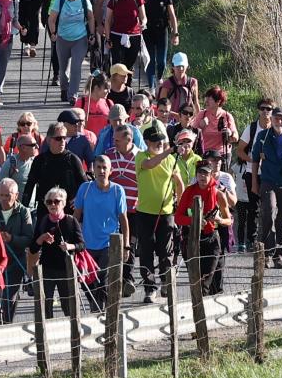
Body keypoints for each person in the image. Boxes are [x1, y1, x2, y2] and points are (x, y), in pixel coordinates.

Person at [131, 123, 184, 301]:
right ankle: (149, 288)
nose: (159, 144)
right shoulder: (141, 156)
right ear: (146, 142)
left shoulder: (170, 160)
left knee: (165, 251)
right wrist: (169, 151)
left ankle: (166, 283)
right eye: (155, 141)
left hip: (166, 212)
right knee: (146, 251)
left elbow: (178, 183)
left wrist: (180, 203)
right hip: (145, 213)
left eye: (161, 141)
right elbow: (150, 164)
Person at [73, 157, 129, 310]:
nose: (101, 171)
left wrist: (126, 246)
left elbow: (123, 220)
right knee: (87, 280)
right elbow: (76, 217)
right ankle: (96, 306)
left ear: (110, 171)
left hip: (108, 244)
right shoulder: (85, 189)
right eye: (98, 167)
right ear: (94, 169)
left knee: (103, 280)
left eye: (105, 167)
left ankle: (102, 313)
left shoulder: (117, 190)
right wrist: (73, 241)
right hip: (87, 244)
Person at [174, 160, 232, 295]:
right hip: (191, 239)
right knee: (196, 281)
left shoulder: (218, 194)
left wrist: (219, 219)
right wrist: (195, 221)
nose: (202, 176)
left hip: (211, 239)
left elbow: (229, 220)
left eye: (205, 173)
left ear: (211, 175)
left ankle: (204, 310)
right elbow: (178, 217)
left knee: (205, 283)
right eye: (200, 173)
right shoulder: (189, 191)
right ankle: (198, 311)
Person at [30, 187, 84, 318]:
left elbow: (81, 245)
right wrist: (41, 239)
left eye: (57, 201)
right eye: (49, 202)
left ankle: (71, 332)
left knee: (68, 305)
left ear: (64, 203)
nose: (53, 205)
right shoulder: (43, 221)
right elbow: (33, 249)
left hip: (66, 270)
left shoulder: (71, 221)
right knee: (45, 305)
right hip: (47, 269)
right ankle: (46, 334)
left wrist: (70, 246)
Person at [0, 178, 35, 322]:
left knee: (9, 298)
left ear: (16, 195)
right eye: (1, 195)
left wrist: (11, 239)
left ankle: (7, 325)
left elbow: (28, 238)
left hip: (15, 262)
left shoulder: (24, 212)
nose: (4, 199)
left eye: (8, 195)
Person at [233, 100, 275, 253]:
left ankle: (269, 242)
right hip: (251, 173)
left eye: (269, 109)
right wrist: (253, 160)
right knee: (253, 209)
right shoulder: (251, 129)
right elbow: (240, 151)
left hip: (271, 174)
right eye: (263, 109)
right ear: (258, 110)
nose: (265, 112)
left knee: (270, 208)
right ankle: (251, 240)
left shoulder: (276, 129)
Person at [47, 0, 93, 103]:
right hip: (63, 38)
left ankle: (73, 95)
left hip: (80, 38)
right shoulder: (60, 0)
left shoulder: (84, 0)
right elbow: (51, 19)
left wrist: (92, 34)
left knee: (76, 67)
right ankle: (64, 89)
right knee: (63, 69)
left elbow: (90, 18)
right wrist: (53, 32)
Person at [23, 123, 85, 211]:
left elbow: (85, 185)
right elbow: (29, 186)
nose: (62, 141)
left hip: (67, 211)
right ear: (48, 140)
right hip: (45, 210)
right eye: (58, 138)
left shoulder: (73, 159)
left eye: (64, 138)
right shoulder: (40, 160)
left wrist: (78, 198)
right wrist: (23, 211)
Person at [140, 0, 181, 90]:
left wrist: (175, 33)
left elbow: (172, 16)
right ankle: (151, 87)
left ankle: (159, 78)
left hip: (162, 31)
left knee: (162, 61)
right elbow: (139, 14)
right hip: (148, 32)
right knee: (150, 60)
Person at [102, 0, 146, 73]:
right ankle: (116, 86)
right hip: (116, 35)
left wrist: (143, 23)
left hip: (134, 35)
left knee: (129, 64)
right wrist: (108, 39)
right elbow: (108, 20)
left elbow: (143, 17)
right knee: (117, 64)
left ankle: (127, 85)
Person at [191, 87, 236, 162]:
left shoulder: (227, 116)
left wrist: (229, 133)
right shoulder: (202, 114)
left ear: (218, 101)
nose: (206, 101)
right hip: (205, 153)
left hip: (222, 155)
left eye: (210, 99)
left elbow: (235, 137)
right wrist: (200, 126)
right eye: (206, 98)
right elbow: (191, 133)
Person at [154, 52, 200, 119]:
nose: (181, 69)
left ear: (187, 66)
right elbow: (161, 107)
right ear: (173, 67)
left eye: (183, 66)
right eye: (178, 66)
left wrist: (198, 119)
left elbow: (196, 102)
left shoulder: (193, 82)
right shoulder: (167, 84)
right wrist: (177, 116)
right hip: (170, 120)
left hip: (188, 119)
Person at [1, 128, 39, 194]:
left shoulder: (35, 162)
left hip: (32, 204)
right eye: (33, 145)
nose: (37, 147)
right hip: (15, 203)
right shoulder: (10, 163)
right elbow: (0, 187)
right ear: (23, 148)